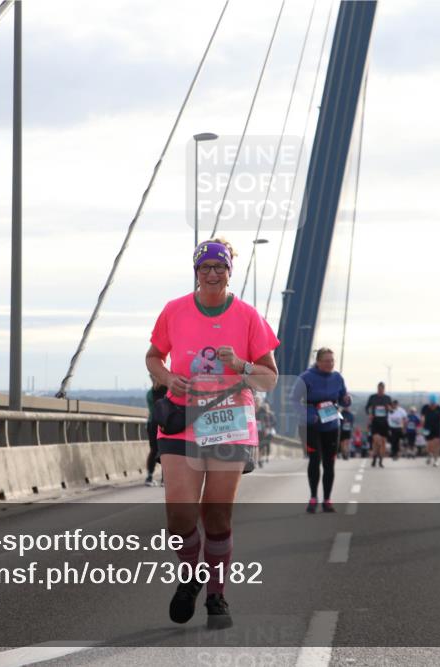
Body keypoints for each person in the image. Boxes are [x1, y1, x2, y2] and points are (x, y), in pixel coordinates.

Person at [145, 238, 279, 630]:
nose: (212, 273)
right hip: (181, 419)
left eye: (219, 267)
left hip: (229, 421)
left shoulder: (248, 316)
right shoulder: (174, 311)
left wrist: (239, 364)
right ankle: (191, 574)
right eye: (205, 267)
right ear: (196, 271)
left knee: (217, 516)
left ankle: (216, 595)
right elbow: (154, 356)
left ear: (229, 271)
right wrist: (168, 376)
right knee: (179, 516)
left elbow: (269, 378)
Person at [293, 348, 352, 514]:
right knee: (315, 459)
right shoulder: (306, 377)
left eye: (332, 361)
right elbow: (294, 400)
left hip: (332, 425)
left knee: (329, 462)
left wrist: (347, 400)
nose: (330, 364)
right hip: (311, 425)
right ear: (318, 362)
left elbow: (343, 398)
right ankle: (313, 497)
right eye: (326, 361)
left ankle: (327, 499)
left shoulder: (337, 377)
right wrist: (308, 414)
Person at [145, 375, 168, 485]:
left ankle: (149, 477)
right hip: (163, 423)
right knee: (164, 450)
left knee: (154, 450)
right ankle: (164, 479)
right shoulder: (166, 390)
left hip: (152, 423)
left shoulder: (150, 393)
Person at [365, 382, 393, 468]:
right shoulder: (372, 397)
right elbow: (366, 408)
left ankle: (380, 461)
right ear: (377, 388)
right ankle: (374, 457)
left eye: (382, 389)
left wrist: (390, 408)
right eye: (379, 389)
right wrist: (369, 414)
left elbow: (392, 411)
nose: (380, 390)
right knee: (377, 442)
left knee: (383, 443)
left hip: (384, 423)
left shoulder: (387, 398)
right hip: (375, 422)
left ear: (384, 389)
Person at [421, 394, 440, 466]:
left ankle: (436, 460)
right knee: (429, 444)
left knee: (437, 444)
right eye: (431, 403)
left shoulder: (439, 408)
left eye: (434, 404)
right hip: (427, 428)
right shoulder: (425, 408)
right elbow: (422, 417)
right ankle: (429, 454)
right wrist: (422, 424)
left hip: (437, 428)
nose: (432, 405)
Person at [255, 396, 276, 467]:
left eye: (257, 401)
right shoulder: (249, 408)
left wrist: (267, 428)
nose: (256, 402)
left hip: (261, 430)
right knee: (253, 446)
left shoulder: (262, 410)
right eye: (255, 400)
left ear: (260, 402)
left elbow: (267, 419)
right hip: (252, 430)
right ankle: (255, 459)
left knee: (260, 446)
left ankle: (259, 460)